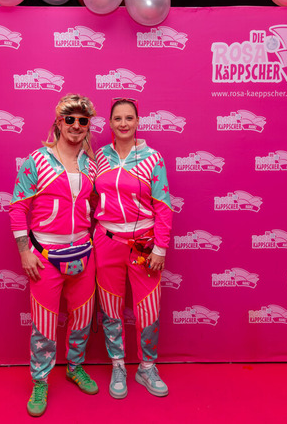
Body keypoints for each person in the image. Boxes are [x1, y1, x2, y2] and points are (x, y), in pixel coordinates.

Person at [9, 94, 99, 417]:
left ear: (88, 126)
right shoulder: (37, 161)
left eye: (82, 121)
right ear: (59, 123)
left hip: (84, 254)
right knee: (44, 324)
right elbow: (17, 208)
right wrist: (25, 252)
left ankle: (75, 367)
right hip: (45, 256)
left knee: (82, 319)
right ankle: (41, 380)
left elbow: (98, 205)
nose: (76, 126)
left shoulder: (92, 164)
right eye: (69, 119)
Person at [93, 97, 173, 399]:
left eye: (129, 118)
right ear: (110, 123)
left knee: (148, 310)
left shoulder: (153, 158)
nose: (123, 123)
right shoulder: (99, 156)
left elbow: (163, 206)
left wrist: (160, 249)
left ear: (138, 122)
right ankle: (118, 365)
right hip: (106, 241)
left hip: (144, 244)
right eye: (118, 118)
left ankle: (146, 367)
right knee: (110, 308)